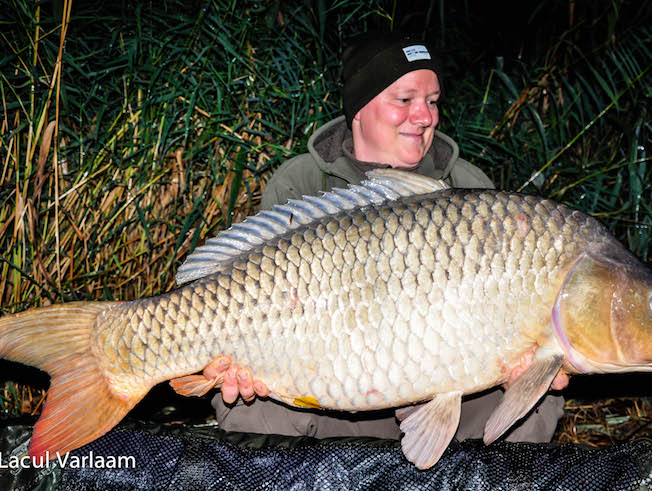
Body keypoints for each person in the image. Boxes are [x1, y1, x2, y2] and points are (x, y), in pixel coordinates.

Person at [199, 32, 567, 442]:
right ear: (360, 109)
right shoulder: (301, 182)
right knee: (249, 406)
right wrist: (241, 366)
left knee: (539, 396)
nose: (425, 116)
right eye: (405, 100)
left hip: (443, 390)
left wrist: (519, 361)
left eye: (432, 101)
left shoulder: (467, 186)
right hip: (329, 383)